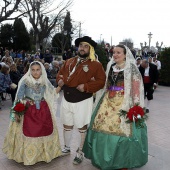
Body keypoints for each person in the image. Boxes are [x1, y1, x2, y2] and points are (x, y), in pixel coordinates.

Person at [83, 45, 148, 170]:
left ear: (125, 54)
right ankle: (102, 158)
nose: (115, 55)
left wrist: (135, 106)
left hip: (123, 102)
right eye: (114, 53)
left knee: (123, 129)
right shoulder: (111, 66)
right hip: (107, 101)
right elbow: (106, 84)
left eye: (118, 52)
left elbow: (135, 88)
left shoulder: (132, 68)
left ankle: (122, 160)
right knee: (99, 124)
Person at [56, 36, 106, 165]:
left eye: (85, 46)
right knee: (67, 124)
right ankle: (67, 148)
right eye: (81, 45)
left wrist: (87, 86)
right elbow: (60, 73)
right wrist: (59, 80)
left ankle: (80, 152)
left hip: (82, 99)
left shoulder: (96, 64)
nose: (82, 48)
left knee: (82, 126)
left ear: (90, 49)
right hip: (66, 98)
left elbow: (101, 81)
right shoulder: (69, 61)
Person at [2, 61, 62, 165]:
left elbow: (53, 92)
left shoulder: (45, 81)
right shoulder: (25, 81)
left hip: (43, 109)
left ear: (41, 70)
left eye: (37, 70)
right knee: (30, 131)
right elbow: (19, 97)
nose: (35, 72)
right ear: (30, 70)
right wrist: (17, 111)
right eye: (33, 70)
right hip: (28, 109)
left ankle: (44, 154)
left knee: (44, 130)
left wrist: (60, 86)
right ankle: (28, 156)